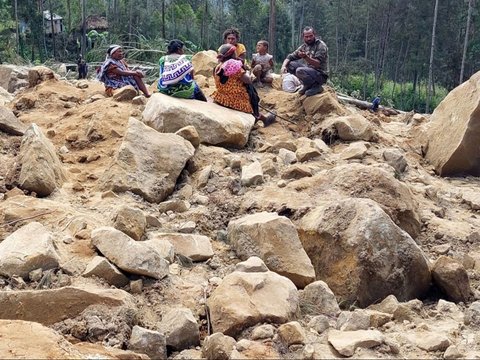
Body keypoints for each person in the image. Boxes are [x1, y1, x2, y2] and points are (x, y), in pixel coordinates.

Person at [212, 44, 276, 127]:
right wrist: (244, 71)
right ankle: (259, 116)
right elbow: (248, 80)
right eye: (235, 52)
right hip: (235, 99)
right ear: (232, 54)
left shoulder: (218, 66)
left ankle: (260, 116)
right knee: (251, 90)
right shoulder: (234, 66)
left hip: (221, 97)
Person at [281, 26, 329, 97]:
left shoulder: (321, 46)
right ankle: (307, 85)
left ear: (314, 35)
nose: (309, 38)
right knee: (290, 65)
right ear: (303, 37)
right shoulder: (304, 46)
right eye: (306, 37)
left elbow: (317, 64)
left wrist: (305, 57)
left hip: (320, 74)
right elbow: (290, 57)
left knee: (299, 70)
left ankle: (316, 86)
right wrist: (283, 66)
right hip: (310, 70)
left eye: (310, 36)